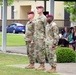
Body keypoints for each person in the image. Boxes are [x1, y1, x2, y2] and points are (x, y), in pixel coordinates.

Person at [34, 6, 47, 70]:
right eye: (37, 9)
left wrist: (45, 37)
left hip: (41, 37)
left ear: (42, 10)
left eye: (38, 9)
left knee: (41, 51)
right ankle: (40, 64)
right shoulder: (38, 18)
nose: (37, 10)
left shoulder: (44, 18)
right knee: (37, 51)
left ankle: (43, 65)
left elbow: (46, 28)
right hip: (36, 37)